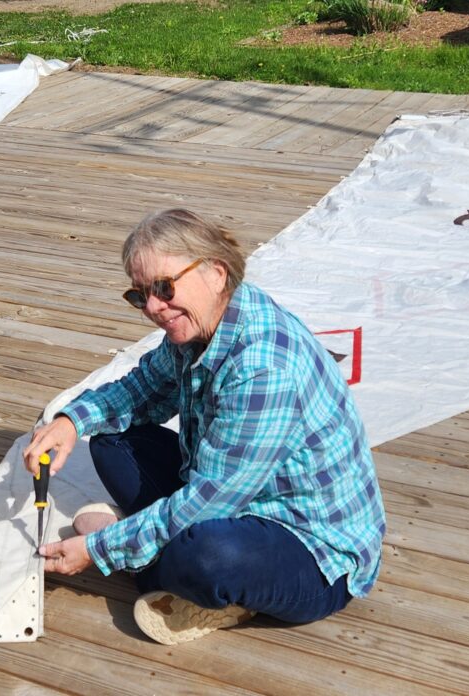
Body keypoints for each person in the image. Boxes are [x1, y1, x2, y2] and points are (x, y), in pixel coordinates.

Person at [22, 208, 386, 645]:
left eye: (163, 287)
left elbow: (209, 502)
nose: (153, 308)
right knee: (111, 443)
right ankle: (152, 553)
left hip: (314, 551)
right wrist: (69, 421)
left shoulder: (263, 368)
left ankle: (181, 575)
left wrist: (99, 550)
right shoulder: (202, 321)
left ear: (215, 272)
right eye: (140, 296)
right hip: (232, 496)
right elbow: (142, 390)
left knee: (205, 555)